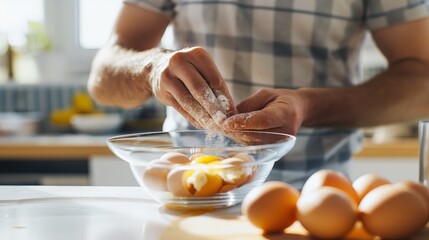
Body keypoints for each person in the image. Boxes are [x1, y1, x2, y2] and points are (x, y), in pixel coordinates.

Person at [88, 0, 429, 188]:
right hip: (192, 194)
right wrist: (151, 69)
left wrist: (306, 106)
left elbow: (422, 82)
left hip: (315, 198)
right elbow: (102, 79)